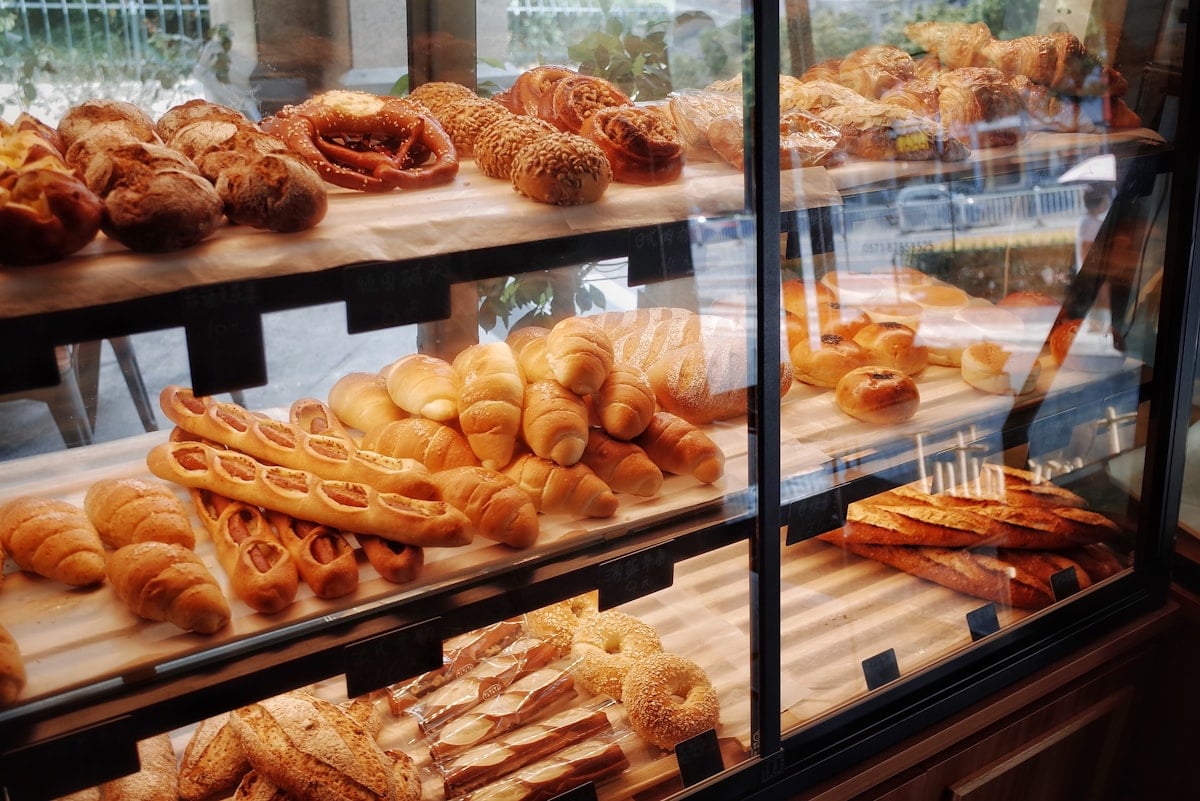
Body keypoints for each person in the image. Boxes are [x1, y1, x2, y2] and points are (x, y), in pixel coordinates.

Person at [1075, 184, 1112, 271]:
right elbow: (1085, 251)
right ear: (1099, 202)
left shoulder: (1085, 220)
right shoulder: (1091, 223)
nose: (1107, 202)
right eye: (1105, 199)